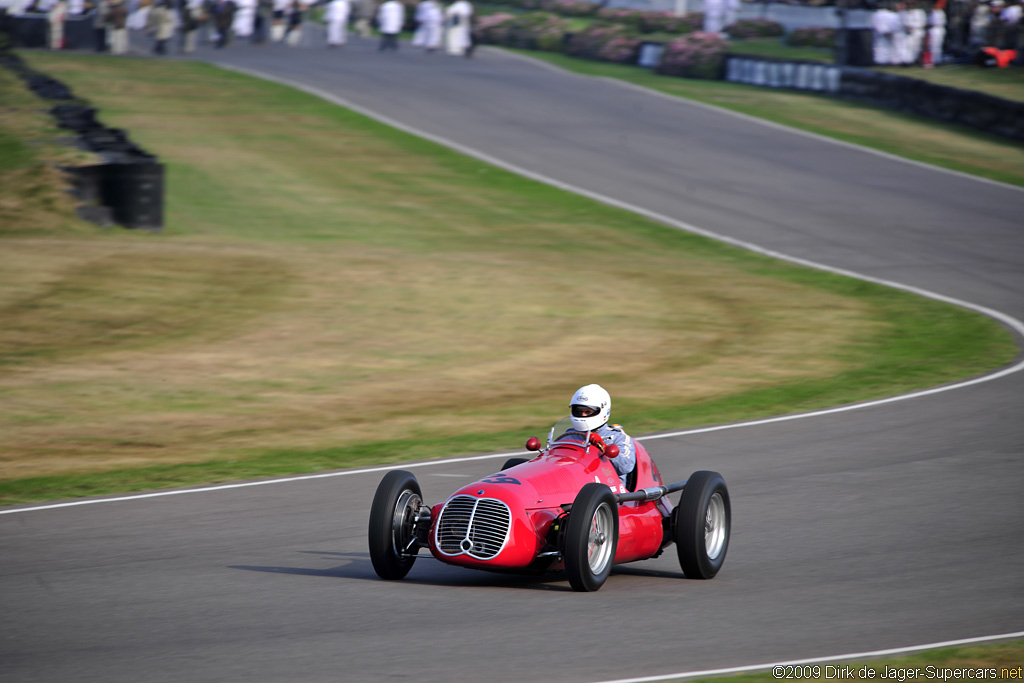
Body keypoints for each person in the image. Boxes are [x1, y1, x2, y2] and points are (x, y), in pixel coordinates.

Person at [568, 384, 636, 487]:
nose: (583, 415)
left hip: (611, 492)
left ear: (603, 411)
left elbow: (626, 466)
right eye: (579, 411)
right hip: (574, 486)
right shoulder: (569, 435)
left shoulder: (618, 437)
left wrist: (603, 447)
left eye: (587, 411)